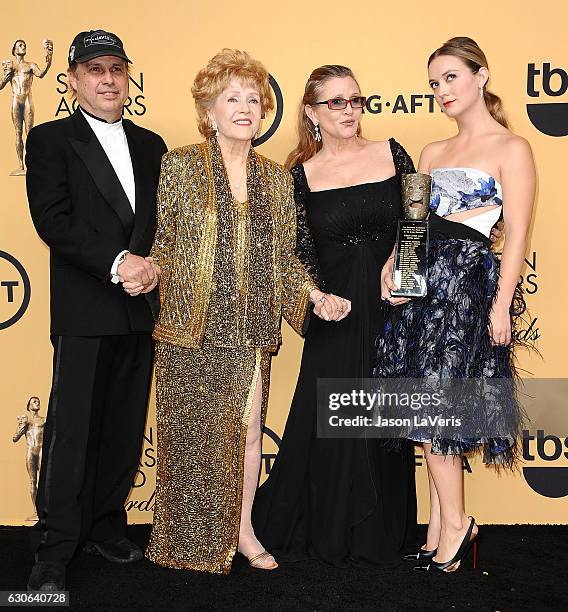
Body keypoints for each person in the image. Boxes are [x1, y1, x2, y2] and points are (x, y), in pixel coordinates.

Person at [142, 49, 346, 575]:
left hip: (250, 328)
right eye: (231, 98)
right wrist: (148, 270)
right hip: (190, 329)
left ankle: (244, 530)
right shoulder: (180, 165)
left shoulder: (277, 180)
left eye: (253, 100)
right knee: (189, 438)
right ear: (209, 112)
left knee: (251, 432)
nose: (244, 108)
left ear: (263, 114)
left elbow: (284, 258)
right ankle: (182, 542)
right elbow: (164, 243)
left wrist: (315, 296)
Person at [376, 37, 535, 573]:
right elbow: (414, 227)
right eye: (434, 83)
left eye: (449, 78)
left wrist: (501, 305)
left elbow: (514, 235)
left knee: (440, 408)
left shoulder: (512, 150)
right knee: (424, 408)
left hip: (466, 292)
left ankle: (456, 526)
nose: (441, 91)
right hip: (421, 291)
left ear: (481, 76)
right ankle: (445, 527)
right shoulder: (431, 154)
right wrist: (391, 267)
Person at [252, 65, 419, 567]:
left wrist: (404, 273)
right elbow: (295, 255)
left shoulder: (392, 152)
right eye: (336, 103)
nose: (349, 111)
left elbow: (417, 217)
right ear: (311, 112)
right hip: (336, 311)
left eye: (356, 100)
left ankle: (383, 533)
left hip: (392, 305)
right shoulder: (297, 177)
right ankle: (325, 528)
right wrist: (316, 298)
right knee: (329, 417)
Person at [25, 30, 167, 591]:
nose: (108, 79)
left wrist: (153, 264)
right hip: (87, 305)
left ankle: (108, 526)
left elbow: (165, 220)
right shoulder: (50, 140)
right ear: (73, 80)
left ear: (127, 75)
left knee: (125, 427)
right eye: (94, 70)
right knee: (72, 429)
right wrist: (119, 262)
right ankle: (55, 545)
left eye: (116, 68)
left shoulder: (153, 144)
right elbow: (53, 220)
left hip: (142, 307)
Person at [1, 39, 53, 175]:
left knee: (30, 133)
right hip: (16, 101)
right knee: (18, 133)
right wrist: (5, 78)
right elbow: (0, 85)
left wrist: (49, 59)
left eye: (24, 45)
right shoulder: (10, 67)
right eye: (20, 45)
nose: (23, 47)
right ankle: (21, 165)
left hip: (27, 100)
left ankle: (32, 164)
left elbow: (41, 74)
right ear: (14, 50)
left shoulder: (30, 65)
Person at [12, 397, 45, 520]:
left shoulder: (44, 420)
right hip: (30, 450)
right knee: (32, 481)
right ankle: (36, 511)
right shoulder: (25, 421)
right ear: (29, 406)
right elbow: (15, 438)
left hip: (41, 449)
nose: (37, 403)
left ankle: (45, 509)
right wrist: (21, 426)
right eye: (34, 401)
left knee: (44, 480)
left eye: (38, 401)